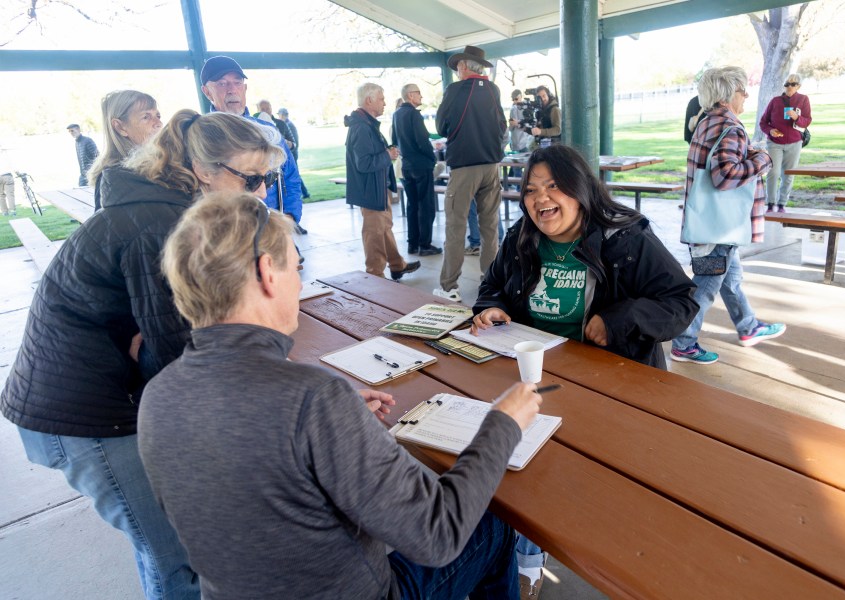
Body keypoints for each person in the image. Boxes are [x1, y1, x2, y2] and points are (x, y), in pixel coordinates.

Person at [138, 189, 545, 600]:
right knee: (492, 522)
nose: (300, 281)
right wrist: (502, 424)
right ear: (266, 273)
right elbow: (438, 534)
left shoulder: (157, 397)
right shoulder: (312, 400)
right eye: (297, 267)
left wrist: (340, 437)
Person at [1, 109, 286, 600]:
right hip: (84, 414)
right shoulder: (158, 223)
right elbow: (179, 357)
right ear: (204, 171)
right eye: (252, 178)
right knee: (176, 556)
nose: (261, 191)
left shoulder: (164, 208)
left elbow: (172, 339)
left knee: (161, 543)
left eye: (269, 178)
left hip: (99, 395)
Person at [471, 144, 698, 597]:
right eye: (532, 190)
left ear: (580, 189)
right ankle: (527, 552)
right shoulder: (523, 236)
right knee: (511, 452)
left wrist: (619, 320)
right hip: (538, 375)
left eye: (553, 186)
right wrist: (491, 307)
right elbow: (492, 284)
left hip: (612, 382)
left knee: (576, 472)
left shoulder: (624, 238)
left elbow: (681, 301)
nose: (541, 199)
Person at [670, 66, 786, 365]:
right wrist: (762, 159)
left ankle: (748, 327)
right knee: (707, 285)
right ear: (727, 92)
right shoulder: (729, 127)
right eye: (742, 89)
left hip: (712, 225)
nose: (746, 95)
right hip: (719, 227)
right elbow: (727, 176)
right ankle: (683, 343)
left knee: (731, 279)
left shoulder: (707, 122)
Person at [199, 55, 309, 234]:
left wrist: (289, 218)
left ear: (245, 88)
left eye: (237, 82)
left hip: (273, 231)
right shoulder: (201, 136)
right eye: (222, 83)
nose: (232, 90)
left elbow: (290, 178)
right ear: (207, 91)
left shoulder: (269, 132)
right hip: (229, 238)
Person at [434, 44, 507, 302]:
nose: (457, 71)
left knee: (456, 226)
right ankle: (491, 280)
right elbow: (502, 126)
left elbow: (441, 125)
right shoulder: (492, 89)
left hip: (464, 167)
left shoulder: (455, 90)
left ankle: (449, 286)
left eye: (458, 67)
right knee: (490, 227)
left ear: (464, 67)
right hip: (491, 166)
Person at [344, 82, 420, 280]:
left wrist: (387, 152)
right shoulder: (361, 127)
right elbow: (364, 163)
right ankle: (375, 275)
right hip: (370, 191)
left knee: (383, 228)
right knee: (374, 233)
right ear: (369, 101)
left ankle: (397, 265)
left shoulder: (367, 124)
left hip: (378, 188)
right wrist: (388, 154)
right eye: (381, 99)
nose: (385, 103)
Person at [87, 90, 163, 210]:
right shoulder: (112, 179)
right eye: (146, 117)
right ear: (120, 127)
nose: (159, 123)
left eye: (158, 116)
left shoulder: (162, 163)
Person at [392, 83, 442, 256]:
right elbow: (422, 141)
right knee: (426, 206)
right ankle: (425, 245)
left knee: (413, 205)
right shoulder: (414, 114)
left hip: (406, 166)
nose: (421, 96)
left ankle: (412, 244)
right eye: (419, 93)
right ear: (410, 95)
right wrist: (432, 157)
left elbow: (394, 139)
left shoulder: (397, 114)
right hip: (421, 165)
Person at [758, 73, 812, 213]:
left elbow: (807, 121)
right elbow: (763, 122)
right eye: (787, 84)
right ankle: (770, 203)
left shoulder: (803, 100)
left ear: (798, 86)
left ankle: (782, 204)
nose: (789, 87)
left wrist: (797, 117)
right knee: (773, 173)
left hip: (794, 143)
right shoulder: (775, 101)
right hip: (775, 143)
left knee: (788, 174)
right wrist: (770, 131)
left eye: (793, 84)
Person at [276, 107, 311, 200]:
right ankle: (304, 193)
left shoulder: (289, 125)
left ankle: (304, 193)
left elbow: (294, 143)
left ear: (282, 115)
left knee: (294, 174)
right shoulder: (287, 124)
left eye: (279, 114)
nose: (278, 117)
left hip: (292, 154)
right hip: (291, 154)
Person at [508, 89, 534, 154]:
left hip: (525, 143)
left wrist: (518, 123)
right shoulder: (512, 109)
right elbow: (511, 128)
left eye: (516, 99)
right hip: (515, 144)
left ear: (521, 97)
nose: (515, 101)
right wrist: (511, 125)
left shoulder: (527, 108)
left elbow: (531, 125)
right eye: (513, 99)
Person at [1, 146, 16, 216]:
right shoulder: (6, 155)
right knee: (10, 194)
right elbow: (13, 165)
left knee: (1, 195)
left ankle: (4, 212)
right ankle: (12, 210)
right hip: (7, 176)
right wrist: (18, 173)